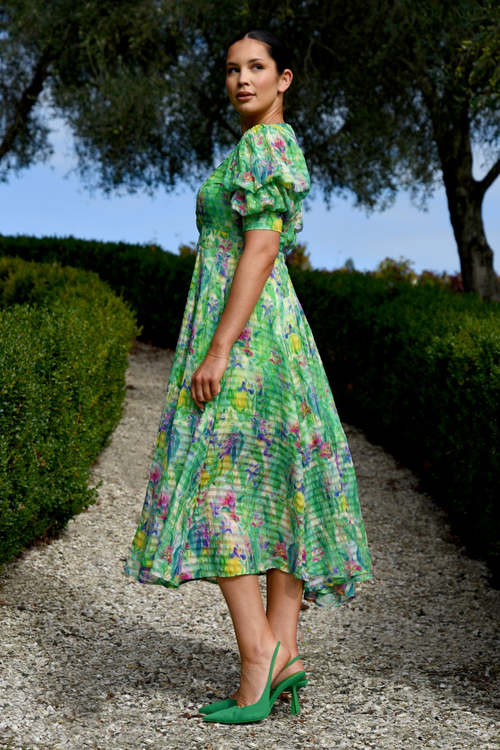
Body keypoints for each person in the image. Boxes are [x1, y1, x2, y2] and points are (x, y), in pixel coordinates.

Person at [124, 28, 373, 724]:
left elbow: (261, 248)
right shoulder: (264, 147)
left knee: (218, 488)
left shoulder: (265, 146)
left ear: (284, 77)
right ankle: (285, 652)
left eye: (256, 67)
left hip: (250, 340)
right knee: (276, 485)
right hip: (274, 338)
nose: (241, 79)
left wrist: (219, 346)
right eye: (232, 69)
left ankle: (256, 655)